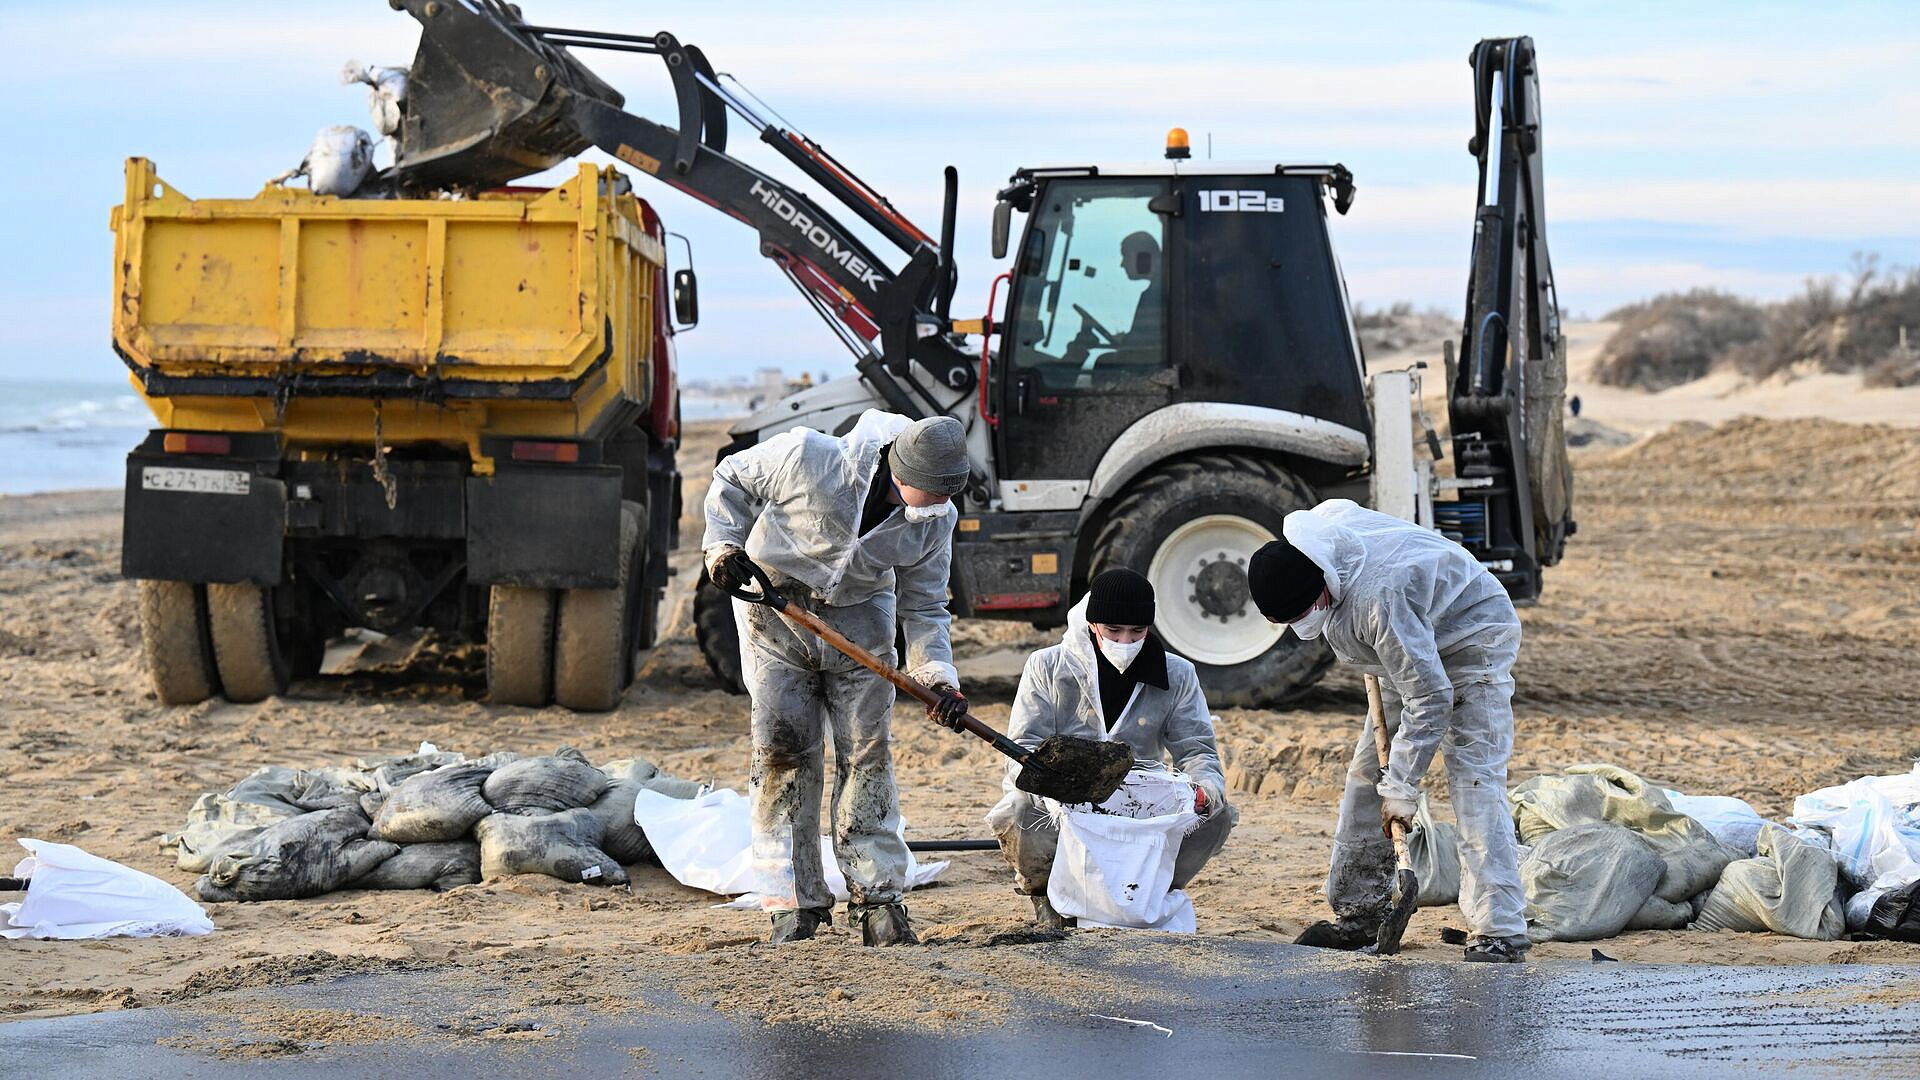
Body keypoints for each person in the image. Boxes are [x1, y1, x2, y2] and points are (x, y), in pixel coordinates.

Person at [703, 410, 971, 946]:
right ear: (900, 472)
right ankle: (791, 902)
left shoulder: (936, 519)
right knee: (784, 751)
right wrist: (723, 548)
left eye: (947, 496)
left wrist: (936, 676)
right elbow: (730, 477)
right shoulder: (809, 458)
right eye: (931, 493)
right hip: (773, 612)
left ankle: (878, 898)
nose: (939, 507)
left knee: (867, 753)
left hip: (862, 619)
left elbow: (925, 606)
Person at [1246, 499, 1528, 963]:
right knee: (1365, 774)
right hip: (1407, 640)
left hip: (1470, 635)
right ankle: (1362, 910)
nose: (1299, 626)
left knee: (1474, 780)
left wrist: (1402, 785)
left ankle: (1500, 930)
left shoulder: (1378, 599)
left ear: (1322, 584)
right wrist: (1386, 776)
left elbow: (1432, 696)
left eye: (1302, 613)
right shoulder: (1320, 536)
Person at [977, 567, 1234, 928]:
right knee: (1020, 808)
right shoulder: (1049, 666)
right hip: (1061, 799)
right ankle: (1044, 896)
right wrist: (1053, 787)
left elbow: (1197, 751)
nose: (1125, 641)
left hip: (1138, 801)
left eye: (1137, 632)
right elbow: (1022, 747)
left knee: (1218, 814)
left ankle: (1154, 888)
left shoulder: (1176, 674)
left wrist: (1205, 789)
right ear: (1092, 623)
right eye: (1113, 630)